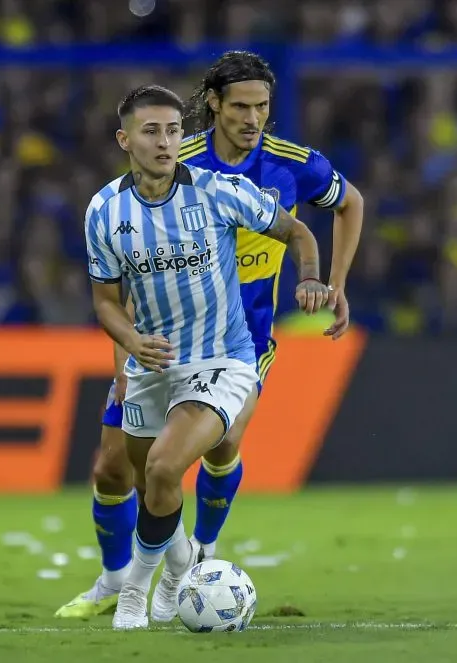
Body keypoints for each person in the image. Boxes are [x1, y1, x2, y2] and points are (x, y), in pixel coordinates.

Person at [56, 50, 365, 619]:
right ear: (214, 106)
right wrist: (123, 358)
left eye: (263, 108)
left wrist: (334, 284)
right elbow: (125, 277)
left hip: (240, 339)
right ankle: (112, 578)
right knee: (111, 468)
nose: (253, 119)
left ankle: (202, 557)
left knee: (218, 446)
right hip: (155, 343)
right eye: (241, 107)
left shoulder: (291, 164)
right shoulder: (176, 162)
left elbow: (348, 204)